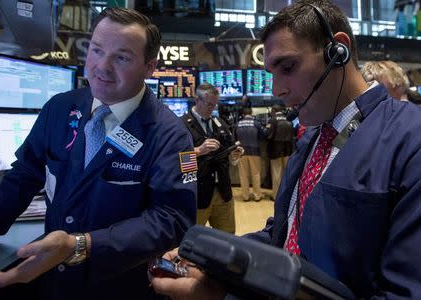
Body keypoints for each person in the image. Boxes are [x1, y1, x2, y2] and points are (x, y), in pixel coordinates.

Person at [151, 0, 421, 298]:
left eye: (288, 67)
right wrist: (215, 260)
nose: (276, 90)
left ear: (337, 51)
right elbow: (284, 233)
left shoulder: (411, 137)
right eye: (271, 73)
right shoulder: (311, 140)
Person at [0, 7, 197, 299]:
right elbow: (25, 174)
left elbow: (172, 220)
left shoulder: (170, 134)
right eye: (97, 50)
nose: (102, 67)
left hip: (117, 286)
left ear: (149, 67)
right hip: (51, 281)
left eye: (122, 57)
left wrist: (82, 244)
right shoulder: (59, 108)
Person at [181, 83, 243, 234]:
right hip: (197, 194)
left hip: (223, 193)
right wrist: (198, 151)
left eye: (215, 105)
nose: (212, 108)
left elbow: (229, 153)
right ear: (197, 100)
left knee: (228, 239)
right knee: (193, 242)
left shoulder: (219, 123)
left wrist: (234, 156)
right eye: (209, 104)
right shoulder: (181, 125)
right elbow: (175, 161)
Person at [234, 107, 265, 202]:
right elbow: (262, 137)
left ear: (243, 114)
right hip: (254, 151)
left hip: (241, 152)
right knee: (255, 174)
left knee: (243, 175)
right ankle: (257, 195)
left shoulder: (237, 124)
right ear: (251, 113)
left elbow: (234, 139)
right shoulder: (256, 123)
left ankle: (245, 196)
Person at [265, 105, 294, 200]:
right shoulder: (288, 119)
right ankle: (286, 195)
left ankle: (276, 196)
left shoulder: (272, 120)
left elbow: (267, 134)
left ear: (273, 110)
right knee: (286, 174)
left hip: (275, 150)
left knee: (276, 174)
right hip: (288, 151)